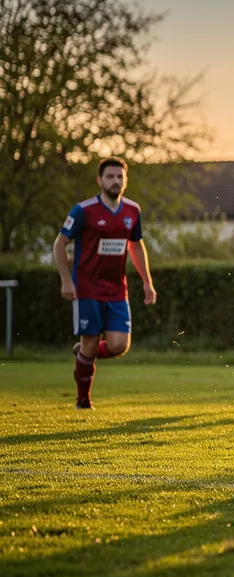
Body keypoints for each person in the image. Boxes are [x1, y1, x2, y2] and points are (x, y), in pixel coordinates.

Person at [52, 157, 157, 409]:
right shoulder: (83, 210)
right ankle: (83, 401)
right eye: (110, 176)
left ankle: (83, 356)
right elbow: (59, 244)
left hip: (116, 289)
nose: (115, 181)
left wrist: (147, 282)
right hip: (86, 288)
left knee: (119, 345)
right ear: (100, 180)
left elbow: (136, 245)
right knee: (90, 342)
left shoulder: (133, 211)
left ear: (126, 180)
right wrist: (66, 280)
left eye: (120, 177)